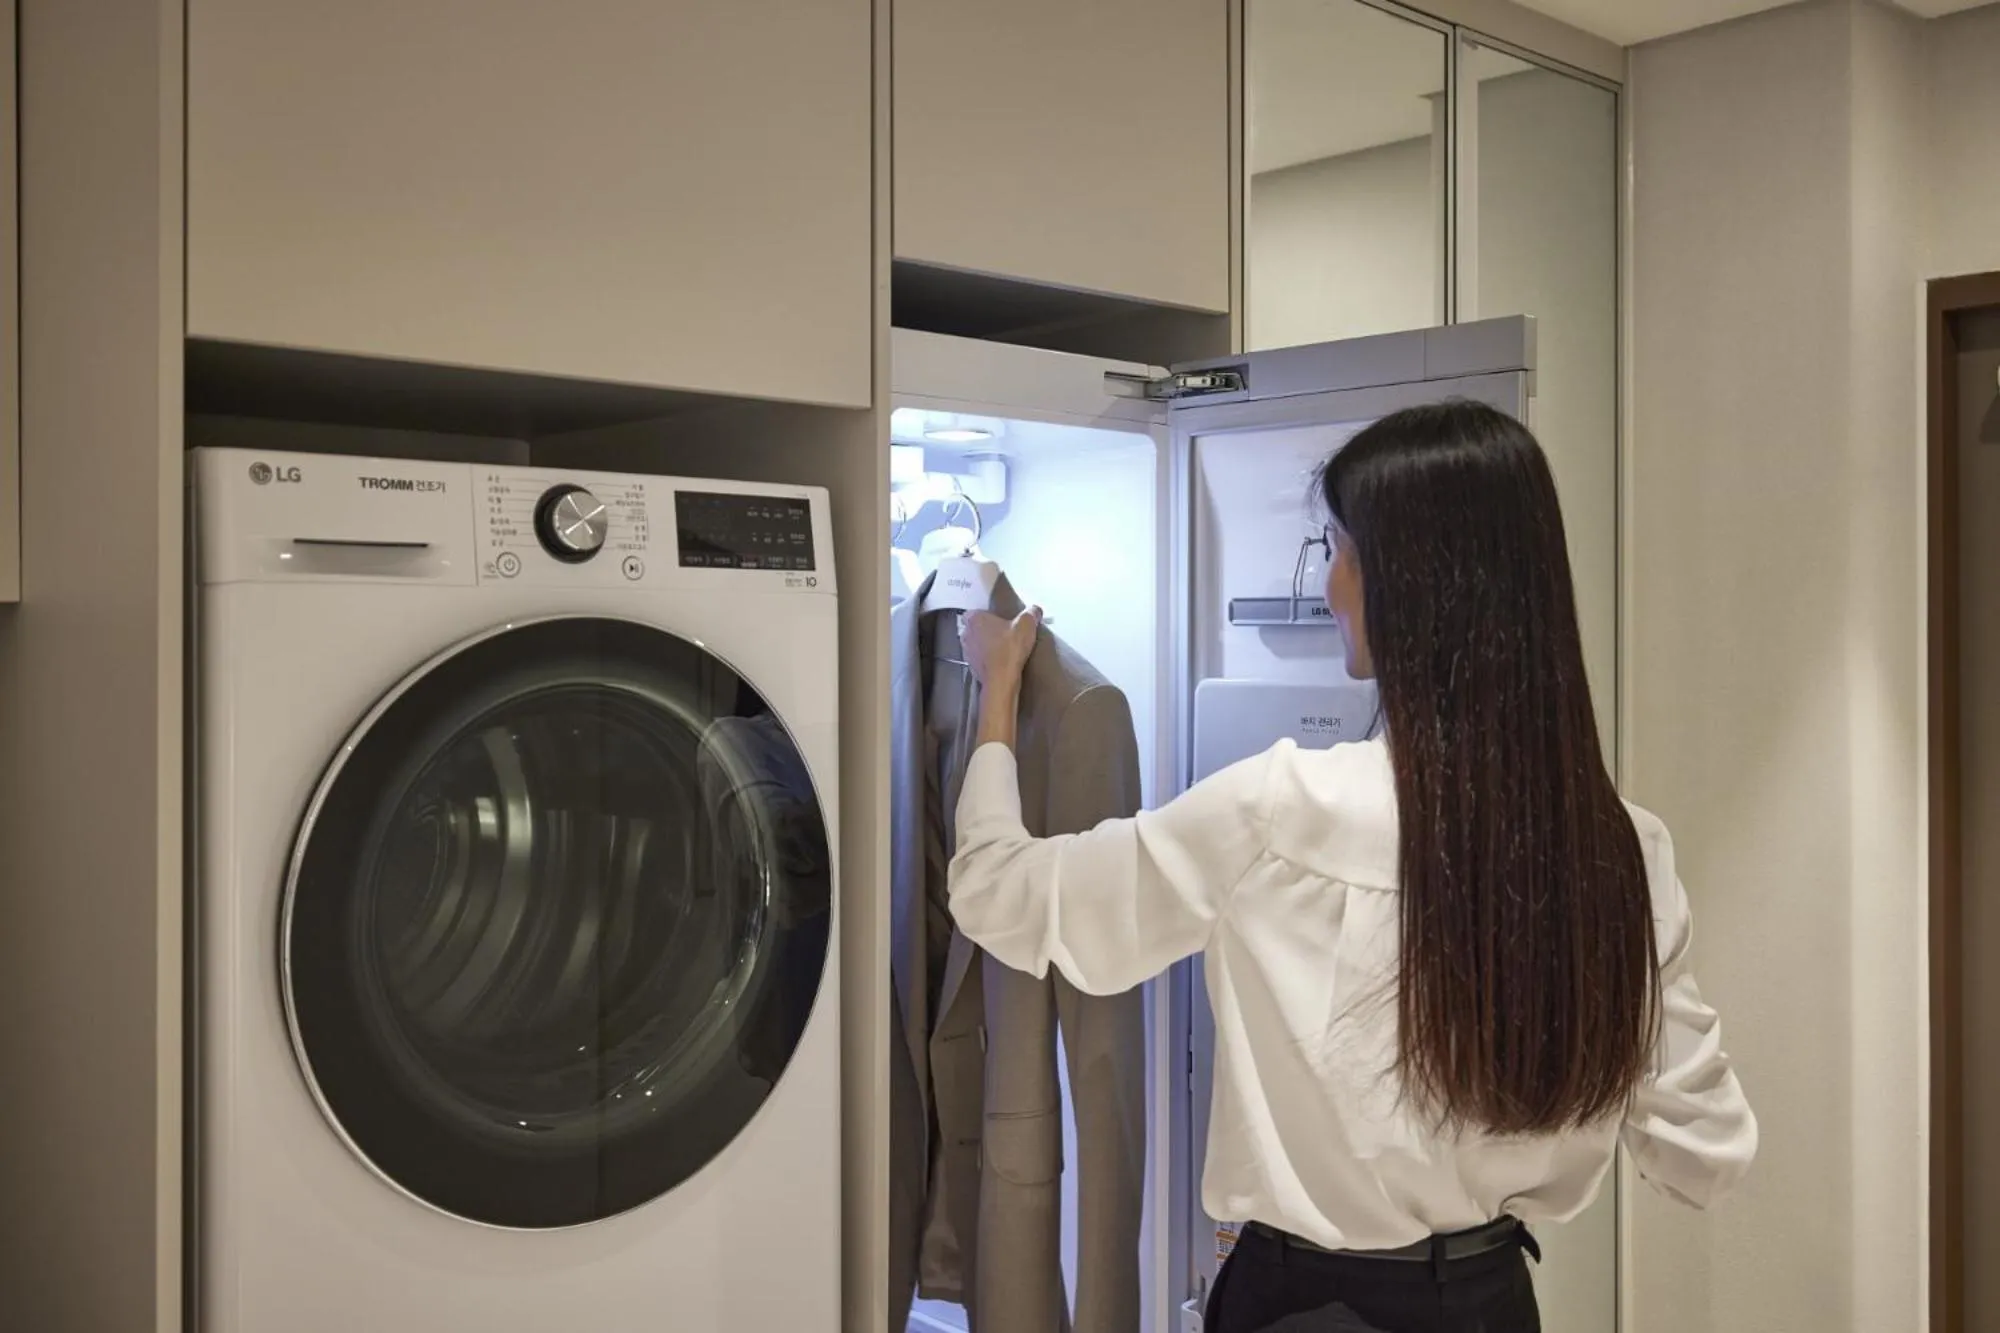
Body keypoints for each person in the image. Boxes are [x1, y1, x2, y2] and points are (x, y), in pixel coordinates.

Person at [947, 400, 1756, 1333]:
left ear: (1411, 583)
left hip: (1305, 1306)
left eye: (1339, 549)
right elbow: (1708, 1153)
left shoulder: (1277, 810)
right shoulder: (1622, 850)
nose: (1330, 585)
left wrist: (997, 698)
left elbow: (999, 891)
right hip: (1492, 1304)